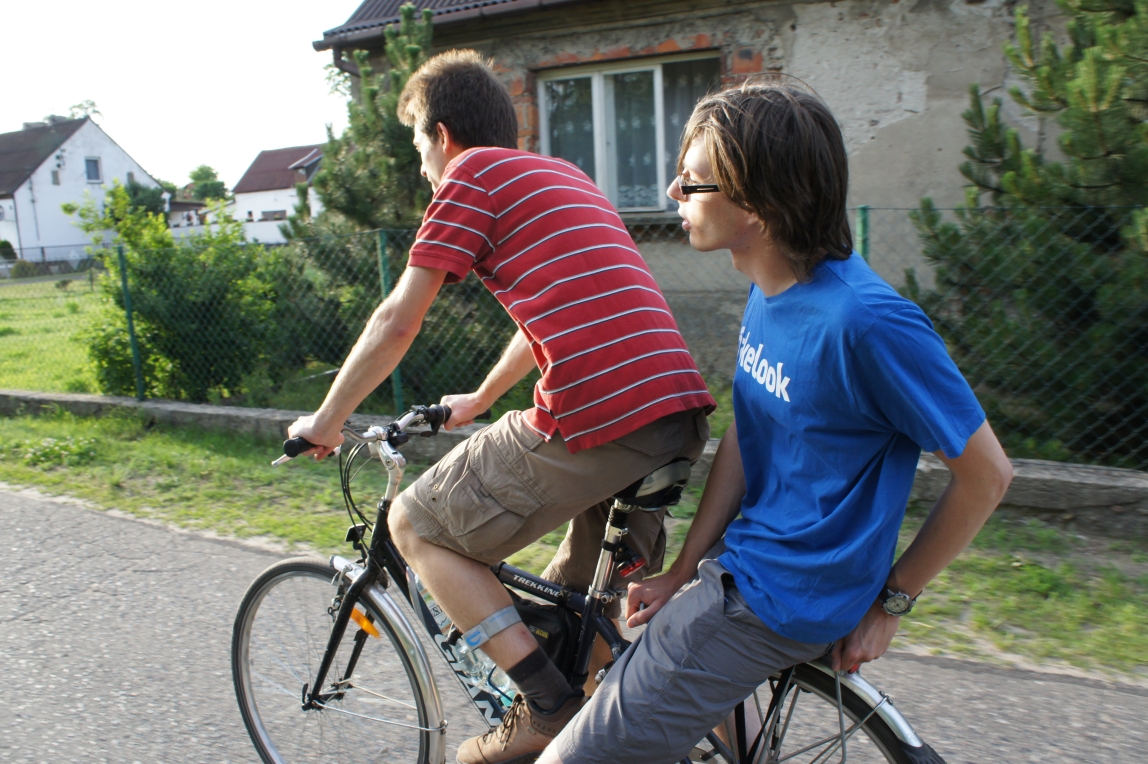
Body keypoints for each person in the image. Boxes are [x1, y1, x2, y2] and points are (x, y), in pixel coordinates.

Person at [538, 81, 1014, 764]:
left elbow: (988, 475)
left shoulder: (867, 323)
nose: (673, 193)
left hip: (778, 599)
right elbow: (749, 431)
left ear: (757, 205)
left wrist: (893, 603)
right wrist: (683, 569)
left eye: (692, 182)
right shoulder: (771, 290)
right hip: (741, 573)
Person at [286, 50, 715, 764]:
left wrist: (325, 421)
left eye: (418, 148)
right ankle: (598, 727)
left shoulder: (471, 175)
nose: (423, 169)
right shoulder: (562, 175)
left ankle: (545, 711)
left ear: (442, 135)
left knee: (414, 523)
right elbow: (556, 304)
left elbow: (398, 320)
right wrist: (483, 397)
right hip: (673, 414)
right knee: (579, 610)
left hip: (598, 416)